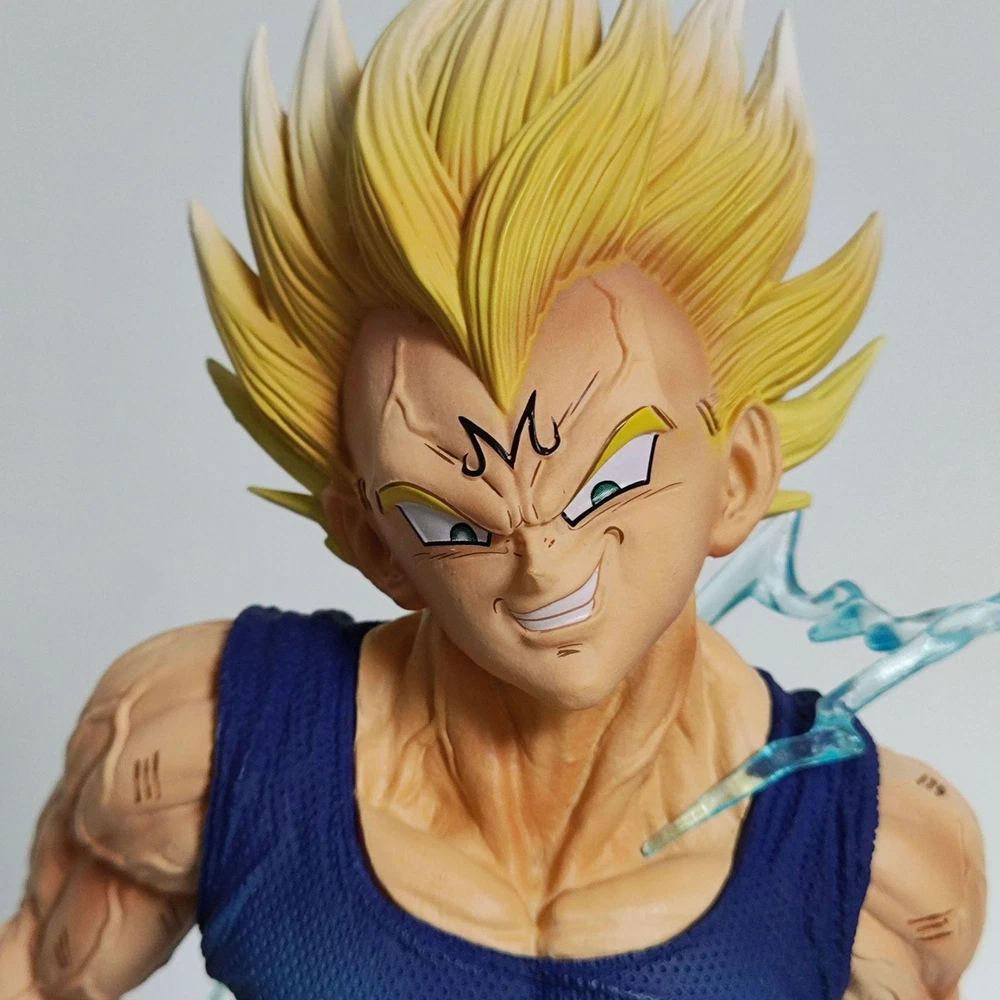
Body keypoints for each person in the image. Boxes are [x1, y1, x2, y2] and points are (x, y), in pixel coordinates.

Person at [0, 0, 986, 997]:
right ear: (374, 545)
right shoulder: (205, 744)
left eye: (608, 480)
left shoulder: (878, 862)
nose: (542, 562)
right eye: (451, 519)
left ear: (736, 478)